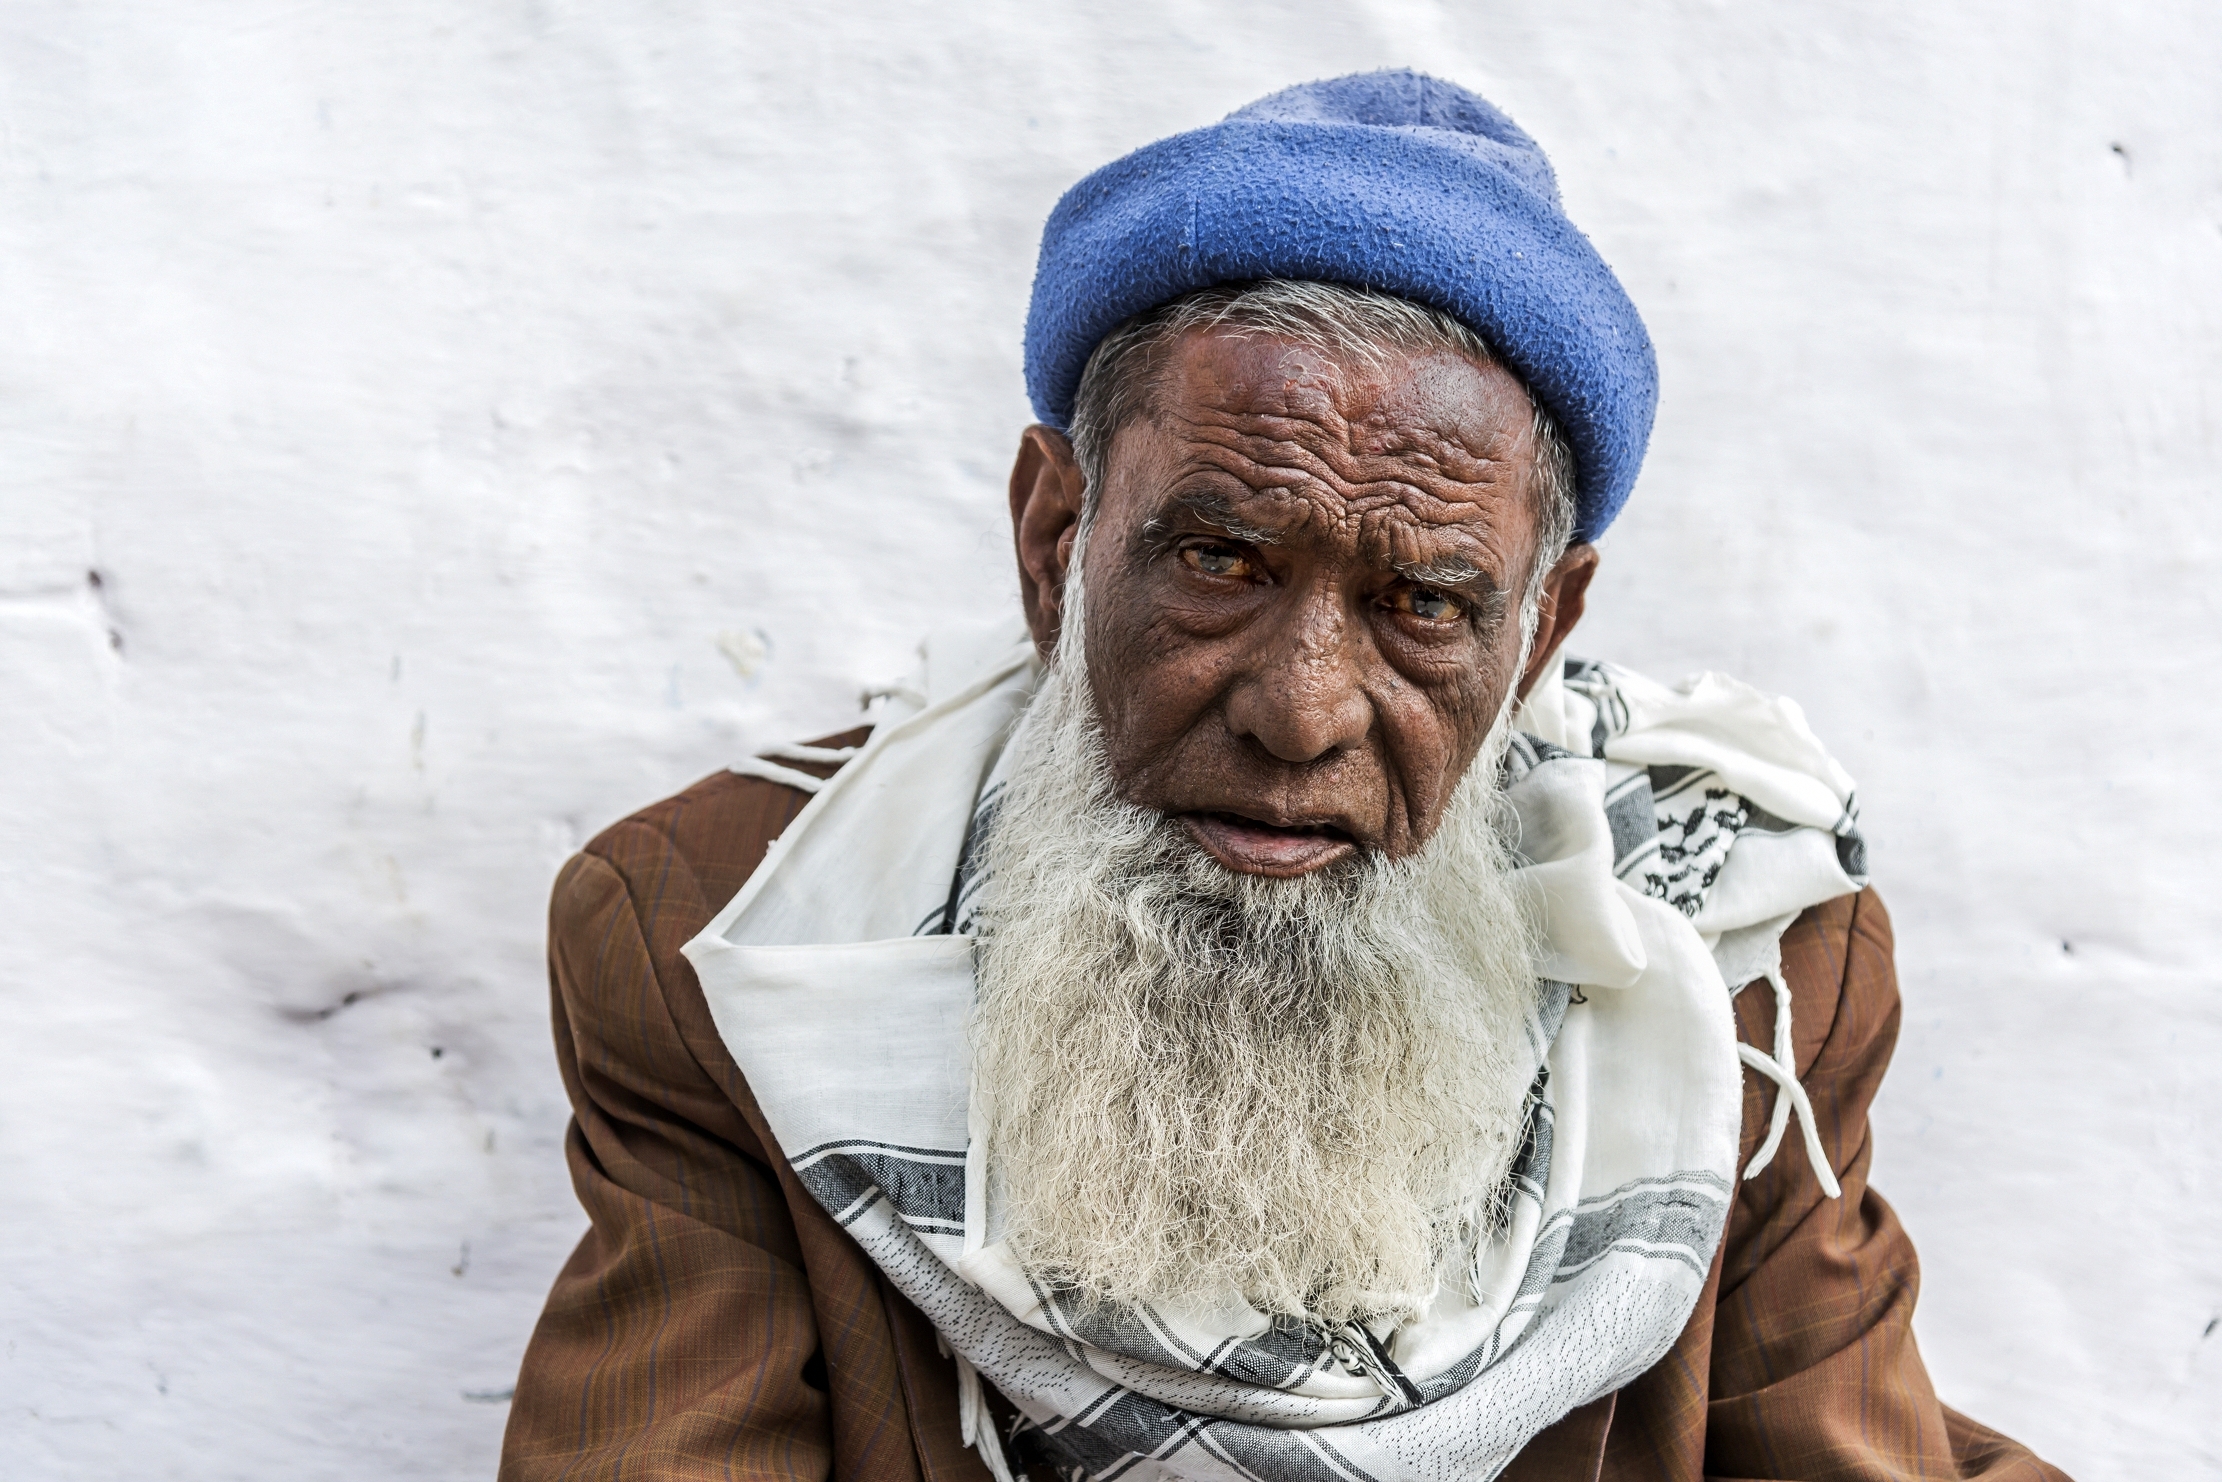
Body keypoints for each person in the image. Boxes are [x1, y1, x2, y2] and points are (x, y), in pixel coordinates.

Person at [499, 71, 2067, 1482]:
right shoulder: (725, 939)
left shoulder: (1737, 965)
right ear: (1056, 540)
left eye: (1425, 605)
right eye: (1219, 558)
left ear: (1539, 634)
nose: (1303, 712)